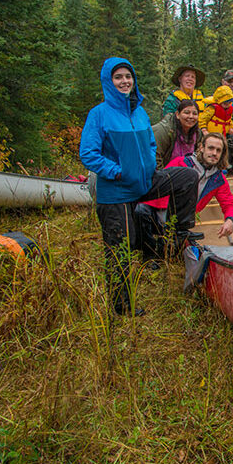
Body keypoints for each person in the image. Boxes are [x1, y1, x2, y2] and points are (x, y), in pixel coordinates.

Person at [80, 57, 199, 316]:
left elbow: (150, 144)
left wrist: (147, 165)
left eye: (128, 76)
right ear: (109, 82)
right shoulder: (99, 114)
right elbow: (88, 154)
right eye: (118, 77)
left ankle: (178, 233)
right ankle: (122, 306)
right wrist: (118, 172)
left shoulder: (140, 112)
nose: (124, 81)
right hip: (117, 191)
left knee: (188, 177)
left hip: (145, 181)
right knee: (121, 247)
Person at [137, 133, 233, 261]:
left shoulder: (219, 179)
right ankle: (149, 255)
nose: (214, 153)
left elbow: (228, 204)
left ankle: (164, 254)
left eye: (218, 150)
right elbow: (160, 185)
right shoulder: (181, 162)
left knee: (170, 255)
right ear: (201, 147)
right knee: (140, 211)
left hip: (180, 220)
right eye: (211, 148)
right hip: (158, 211)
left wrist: (230, 220)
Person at [151, 99, 200, 168]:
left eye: (194, 114)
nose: (191, 116)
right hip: (164, 172)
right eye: (186, 113)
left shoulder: (197, 134)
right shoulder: (165, 131)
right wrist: (163, 177)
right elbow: (155, 158)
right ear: (177, 114)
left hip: (186, 173)